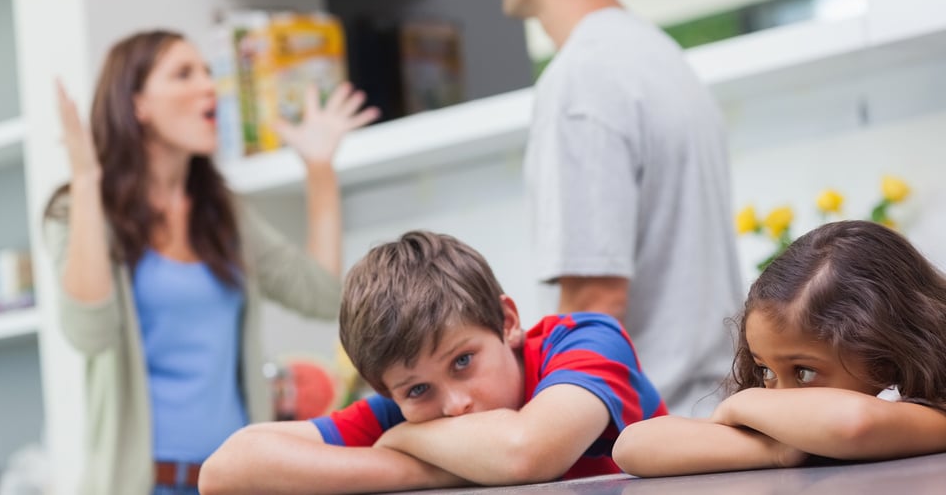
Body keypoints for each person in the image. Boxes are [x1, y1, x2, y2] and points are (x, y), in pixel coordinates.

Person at [42, 30, 378, 495]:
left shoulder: (225, 214)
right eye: (184, 74)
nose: (209, 86)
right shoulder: (78, 213)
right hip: (144, 485)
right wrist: (85, 181)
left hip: (236, 482)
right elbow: (89, 331)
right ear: (137, 104)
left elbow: (323, 298)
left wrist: (319, 170)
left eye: (207, 71)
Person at [486, 0, 744, 415]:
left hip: (648, 433)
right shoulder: (663, 58)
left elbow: (594, 301)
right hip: (709, 414)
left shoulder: (583, 78)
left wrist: (540, 434)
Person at [199, 230, 666, 494]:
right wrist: (432, 465)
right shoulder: (402, 408)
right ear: (387, 391)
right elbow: (225, 471)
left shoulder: (584, 341)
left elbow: (527, 452)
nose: (455, 404)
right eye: (418, 390)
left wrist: (405, 438)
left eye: (463, 361)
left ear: (507, 321)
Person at [612, 220, 946, 476]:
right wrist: (777, 451)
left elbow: (852, 424)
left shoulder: (935, 416)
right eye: (766, 371)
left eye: (804, 372)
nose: (776, 395)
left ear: (883, 358)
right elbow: (631, 446)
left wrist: (740, 406)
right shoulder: (787, 425)